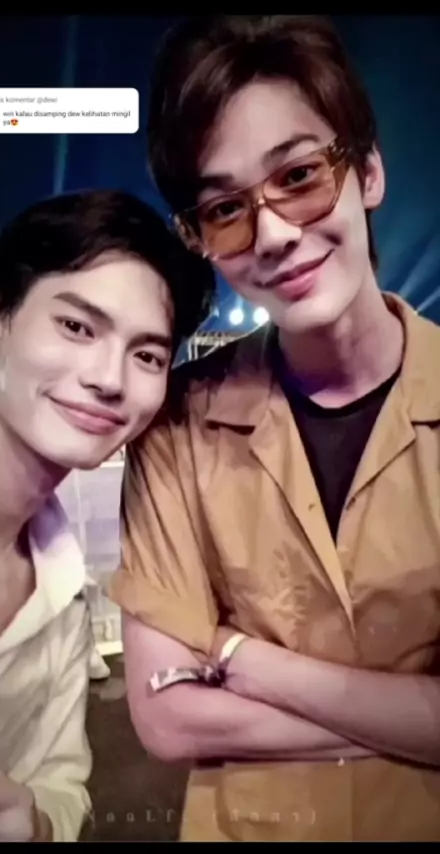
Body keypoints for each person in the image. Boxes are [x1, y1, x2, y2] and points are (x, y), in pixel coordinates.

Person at [109, 14, 440, 843]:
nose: (276, 234)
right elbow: (167, 720)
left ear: (367, 171)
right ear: (198, 237)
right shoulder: (177, 424)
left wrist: (237, 655)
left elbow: (196, 696)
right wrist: (410, 719)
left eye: (298, 176)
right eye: (226, 208)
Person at [0, 189, 214, 842]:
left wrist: (35, 824)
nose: (110, 378)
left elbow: (61, 785)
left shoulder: (62, 579)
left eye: (148, 355)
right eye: (76, 327)